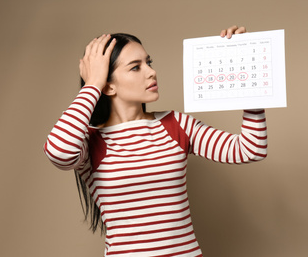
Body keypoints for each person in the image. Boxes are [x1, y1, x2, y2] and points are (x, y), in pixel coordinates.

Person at [44, 25, 267, 256]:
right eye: (135, 67)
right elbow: (59, 152)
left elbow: (251, 149)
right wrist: (92, 84)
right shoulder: (90, 142)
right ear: (108, 85)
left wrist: (248, 77)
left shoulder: (176, 125)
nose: (151, 72)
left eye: (149, 63)